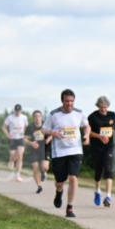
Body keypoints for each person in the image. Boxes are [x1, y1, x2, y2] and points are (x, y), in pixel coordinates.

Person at [44, 89, 90, 217]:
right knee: (60, 182)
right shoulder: (54, 114)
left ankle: (70, 207)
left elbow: (87, 126)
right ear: (62, 101)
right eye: (67, 101)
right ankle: (59, 192)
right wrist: (53, 132)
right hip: (59, 152)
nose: (69, 103)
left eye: (71, 101)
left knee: (73, 177)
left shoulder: (79, 113)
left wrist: (86, 135)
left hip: (75, 150)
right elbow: (43, 129)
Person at [87, 96, 115, 207]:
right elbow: (88, 132)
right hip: (97, 147)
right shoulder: (92, 117)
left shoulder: (112, 115)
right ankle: (97, 191)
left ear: (108, 106)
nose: (103, 109)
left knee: (108, 169)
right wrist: (99, 136)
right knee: (99, 170)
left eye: (105, 107)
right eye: (101, 107)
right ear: (98, 106)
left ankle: (108, 196)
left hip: (108, 146)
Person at [2, 104, 29, 181]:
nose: (17, 112)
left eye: (19, 110)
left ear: (21, 110)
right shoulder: (10, 117)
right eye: (16, 110)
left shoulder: (24, 117)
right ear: (14, 110)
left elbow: (26, 127)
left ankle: (18, 175)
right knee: (13, 155)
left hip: (21, 138)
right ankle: (11, 160)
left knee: (20, 155)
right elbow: (3, 127)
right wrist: (7, 134)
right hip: (12, 139)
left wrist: (25, 134)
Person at [24, 110, 48, 194]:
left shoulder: (46, 125)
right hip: (34, 150)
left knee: (45, 167)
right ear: (33, 118)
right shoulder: (30, 127)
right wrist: (31, 143)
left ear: (41, 117)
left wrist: (48, 140)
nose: (37, 118)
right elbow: (25, 139)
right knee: (35, 168)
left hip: (44, 149)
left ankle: (43, 173)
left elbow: (52, 134)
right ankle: (39, 186)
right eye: (35, 116)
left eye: (39, 116)